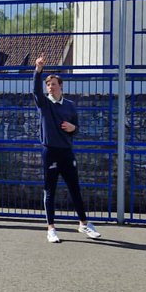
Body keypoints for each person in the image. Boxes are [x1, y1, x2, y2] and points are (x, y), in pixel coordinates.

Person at [32, 55, 100, 243]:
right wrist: (38, 71)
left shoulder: (70, 105)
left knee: (75, 189)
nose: (50, 87)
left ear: (61, 86)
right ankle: (51, 228)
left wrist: (73, 128)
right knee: (50, 191)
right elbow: (36, 92)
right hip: (50, 152)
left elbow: (76, 128)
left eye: (53, 84)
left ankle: (84, 223)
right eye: (48, 85)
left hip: (66, 152)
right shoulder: (44, 104)